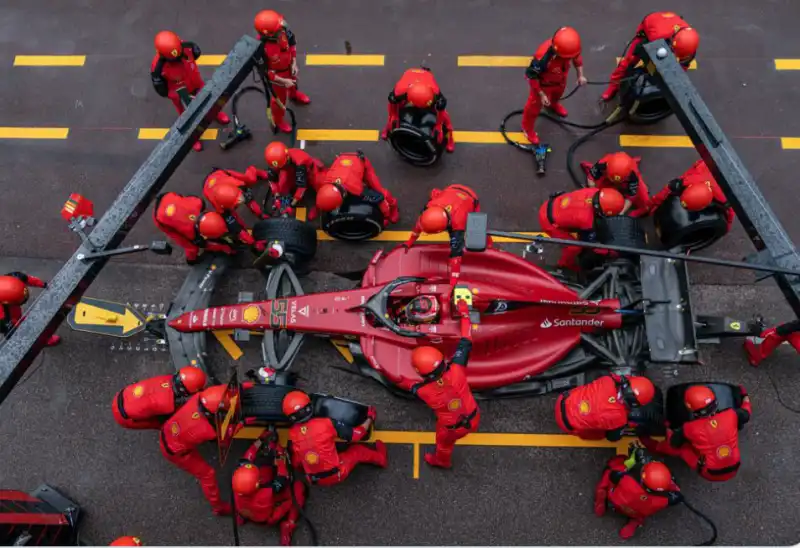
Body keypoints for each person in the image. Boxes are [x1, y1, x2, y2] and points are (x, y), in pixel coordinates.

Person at [394, 300, 478, 468]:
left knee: (443, 444)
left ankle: (441, 461)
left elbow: (409, 385)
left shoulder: (425, 392)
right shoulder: (456, 370)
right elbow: (466, 340)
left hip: (452, 428)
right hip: (473, 416)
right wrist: (465, 314)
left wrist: (400, 379)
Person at [642, 385, 752, 481]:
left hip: (710, 473)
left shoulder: (690, 428)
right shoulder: (731, 415)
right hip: (735, 466)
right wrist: (744, 394)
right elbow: (746, 411)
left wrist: (667, 427)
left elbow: (673, 442)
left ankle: (654, 446)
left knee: (682, 449)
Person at [160, 385, 241, 515]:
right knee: (207, 474)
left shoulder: (201, 397)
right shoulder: (205, 430)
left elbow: (225, 391)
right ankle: (218, 508)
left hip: (169, 429)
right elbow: (228, 432)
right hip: (176, 452)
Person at [283, 391, 388, 487]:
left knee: (299, 456)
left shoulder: (293, 433)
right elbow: (357, 435)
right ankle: (381, 459)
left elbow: (297, 461)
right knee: (357, 450)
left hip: (313, 479)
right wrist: (370, 418)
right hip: (336, 474)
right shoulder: (326, 423)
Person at [150, 31, 229, 151]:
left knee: (211, 100)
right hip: (180, 93)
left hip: (196, 82)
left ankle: (216, 114)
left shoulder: (187, 46)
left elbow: (197, 52)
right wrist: (172, 94)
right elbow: (159, 87)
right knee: (187, 115)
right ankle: (193, 138)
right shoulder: (158, 67)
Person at [403, 184, 489, 287]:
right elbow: (419, 226)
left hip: (469, 197)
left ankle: (489, 243)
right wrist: (409, 242)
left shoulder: (458, 224)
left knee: (477, 227)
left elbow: (456, 254)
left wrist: (453, 281)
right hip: (453, 190)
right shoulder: (430, 209)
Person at [602, 12, 699, 102]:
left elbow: (685, 63)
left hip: (668, 31)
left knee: (679, 67)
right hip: (648, 31)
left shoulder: (689, 40)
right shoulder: (657, 35)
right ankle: (613, 86)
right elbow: (644, 51)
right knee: (628, 62)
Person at [232, 429, 306, 545]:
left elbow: (248, 457)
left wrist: (260, 439)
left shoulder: (239, 483)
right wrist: (280, 453)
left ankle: (241, 517)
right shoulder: (267, 493)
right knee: (298, 488)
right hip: (267, 518)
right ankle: (288, 525)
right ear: (258, 484)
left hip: (246, 510)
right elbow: (283, 476)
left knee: (264, 468)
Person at [594, 450, 682, 540]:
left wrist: (634, 460)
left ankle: (601, 498)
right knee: (641, 515)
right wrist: (676, 496)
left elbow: (614, 475)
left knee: (612, 470)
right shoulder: (659, 501)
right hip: (634, 512)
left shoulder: (627, 480)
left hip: (615, 501)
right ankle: (634, 523)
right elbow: (673, 499)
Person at [522, 27, 588, 145]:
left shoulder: (570, 48)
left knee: (557, 95)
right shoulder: (542, 57)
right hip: (542, 86)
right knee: (533, 108)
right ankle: (527, 129)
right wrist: (541, 94)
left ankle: (553, 104)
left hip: (560, 81)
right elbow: (532, 76)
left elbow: (577, 58)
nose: (570, 58)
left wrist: (580, 76)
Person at [537, 188, 626, 271]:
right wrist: (608, 252)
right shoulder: (586, 220)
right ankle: (565, 265)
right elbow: (589, 244)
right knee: (574, 247)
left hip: (552, 204)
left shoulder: (594, 191)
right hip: (548, 221)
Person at [253, 10, 311, 133]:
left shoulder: (283, 30)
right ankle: (278, 120)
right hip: (277, 77)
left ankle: (294, 95)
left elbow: (292, 44)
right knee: (279, 100)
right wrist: (283, 81)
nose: (282, 28)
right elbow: (266, 73)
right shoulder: (260, 49)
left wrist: (294, 62)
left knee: (294, 83)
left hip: (289, 67)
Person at [554, 374, 656, 440]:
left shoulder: (607, 380)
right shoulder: (620, 419)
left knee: (589, 389)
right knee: (601, 434)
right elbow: (613, 438)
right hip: (566, 425)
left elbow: (618, 377)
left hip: (562, 400)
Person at [152, 192, 245, 263]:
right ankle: (193, 260)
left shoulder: (198, 203)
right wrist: (191, 260)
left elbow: (194, 199)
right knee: (194, 244)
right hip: (161, 215)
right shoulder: (190, 232)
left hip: (169, 197)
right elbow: (190, 247)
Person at [315, 151, 400, 226]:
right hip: (343, 160)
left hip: (359, 161)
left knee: (380, 192)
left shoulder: (356, 189)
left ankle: (394, 207)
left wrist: (385, 217)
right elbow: (324, 196)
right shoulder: (325, 182)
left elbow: (379, 198)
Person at [381, 67, 455, 153]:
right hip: (410, 81)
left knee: (447, 121)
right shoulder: (400, 91)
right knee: (393, 116)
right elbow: (392, 105)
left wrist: (438, 126)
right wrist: (394, 117)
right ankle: (387, 128)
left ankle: (450, 139)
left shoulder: (436, 93)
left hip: (425, 83)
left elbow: (441, 112)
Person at [649, 159, 735, 233]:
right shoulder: (689, 178)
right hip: (707, 166)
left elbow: (731, 212)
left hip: (725, 172)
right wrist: (655, 202)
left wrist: (726, 227)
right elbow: (669, 187)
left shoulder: (724, 198)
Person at [111, 366, 207, 430]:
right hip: (124, 418)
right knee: (164, 424)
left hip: (121, 396)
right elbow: (185, 409)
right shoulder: (168, 405)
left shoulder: (166, 378)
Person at [264, 142, 327, 217]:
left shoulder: (300, 162)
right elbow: (272, 179)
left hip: (310, 172)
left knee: (323, 188)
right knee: (282, 186)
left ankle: (318, 207)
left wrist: (292, 205)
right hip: (291, 170)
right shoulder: (278, 161)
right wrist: (276, 194)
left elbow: (302, 187)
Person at [581, 152, 650, 217]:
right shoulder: (602, 163)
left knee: (646, 205)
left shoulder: (633, 175)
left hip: (624, 182)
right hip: (607, 178)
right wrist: (594, 193)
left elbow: (631, 197)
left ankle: (631, 216)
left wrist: (621, 213)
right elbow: (591, 178)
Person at [0, 273, 60, 346]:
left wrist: (43, 284)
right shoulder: (2, 319)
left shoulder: (15, 278)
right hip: (9, 320)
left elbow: (29, 279)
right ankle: (39, 341)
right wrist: (11, 330)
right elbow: (6, 329)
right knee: (24, 330)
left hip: (14, 312)